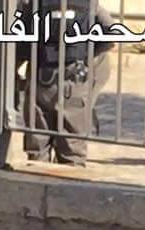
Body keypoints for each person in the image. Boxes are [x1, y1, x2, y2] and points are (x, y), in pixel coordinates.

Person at [16, 0, 115, 166]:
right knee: (73, 150)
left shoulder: (35, 4)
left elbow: (19, 40)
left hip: (41, 77)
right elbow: (111, 34)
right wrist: (86, 55)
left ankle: (37, 177)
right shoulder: (88, 4)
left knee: (37, 146)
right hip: (75, 80)